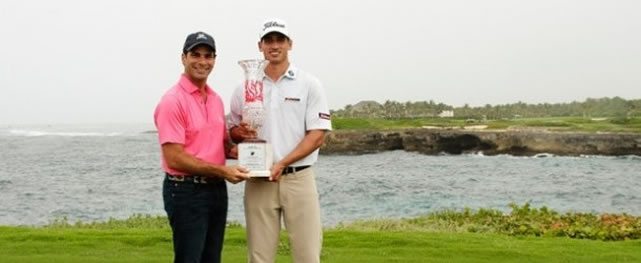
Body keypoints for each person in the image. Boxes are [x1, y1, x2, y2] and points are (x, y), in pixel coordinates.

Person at [229, 18, 332, 263]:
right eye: (268, 41)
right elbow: (232, 131)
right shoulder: (244, 87)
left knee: (307, 255)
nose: (274, 45)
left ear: (289, 44)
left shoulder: (308, 84)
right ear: (260, 45)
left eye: (279, 40)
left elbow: (317, 135)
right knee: (259, 256)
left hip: (299, 177)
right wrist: (238, 134)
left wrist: (283, 162)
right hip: (259, 180)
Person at [154, 31, 249, 263]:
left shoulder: (215, 99)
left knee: (211, 258)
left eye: (208, 56)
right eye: (195, 54)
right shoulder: (172, 101)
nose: (202, 61)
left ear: (214, 60)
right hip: (186, 191)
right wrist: (223, 171)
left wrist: (246, 153)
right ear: (183, 58)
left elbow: (220, 145)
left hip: (215, 190)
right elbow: (175, 158)